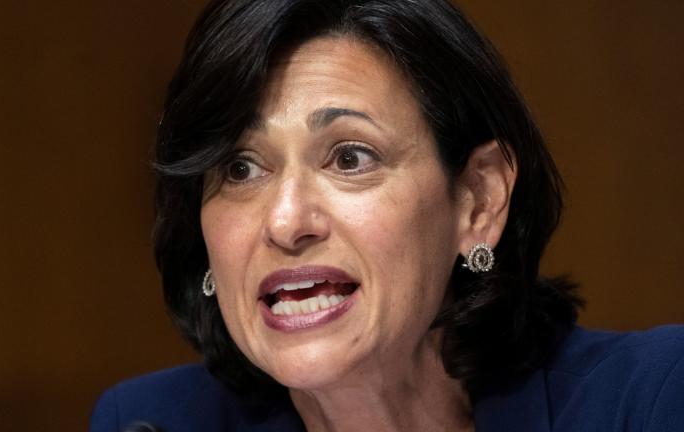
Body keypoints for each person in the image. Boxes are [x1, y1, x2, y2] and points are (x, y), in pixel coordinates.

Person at [90, 0, 684, 430]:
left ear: (479, 201)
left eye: (350, 157)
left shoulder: (653, 398)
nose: (286, 220)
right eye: (241, 169)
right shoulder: (150, 424)